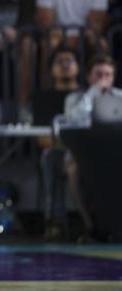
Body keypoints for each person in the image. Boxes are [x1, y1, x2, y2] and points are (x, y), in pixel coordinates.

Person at [62, 54, 122, 240]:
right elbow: (73, 121)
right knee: (73, 170)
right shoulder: (75, 98)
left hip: (115, 151)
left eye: (108, 74)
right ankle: (90, 225)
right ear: (89, 76)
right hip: (84, 153)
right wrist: (92, 94)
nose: (103, 79)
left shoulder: (120, 97)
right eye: (98, 74)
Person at [31, 46, 79, 239]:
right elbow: (42, 138)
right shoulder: (42, 98)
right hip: (59, 149)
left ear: (78, 67)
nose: (65, 65)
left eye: (69, 61)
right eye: (60, 61)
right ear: (51, 69)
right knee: (50, 157)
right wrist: (71, 145)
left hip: (86, 151)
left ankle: (94, 221)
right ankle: (54, 220)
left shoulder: (85, 97)